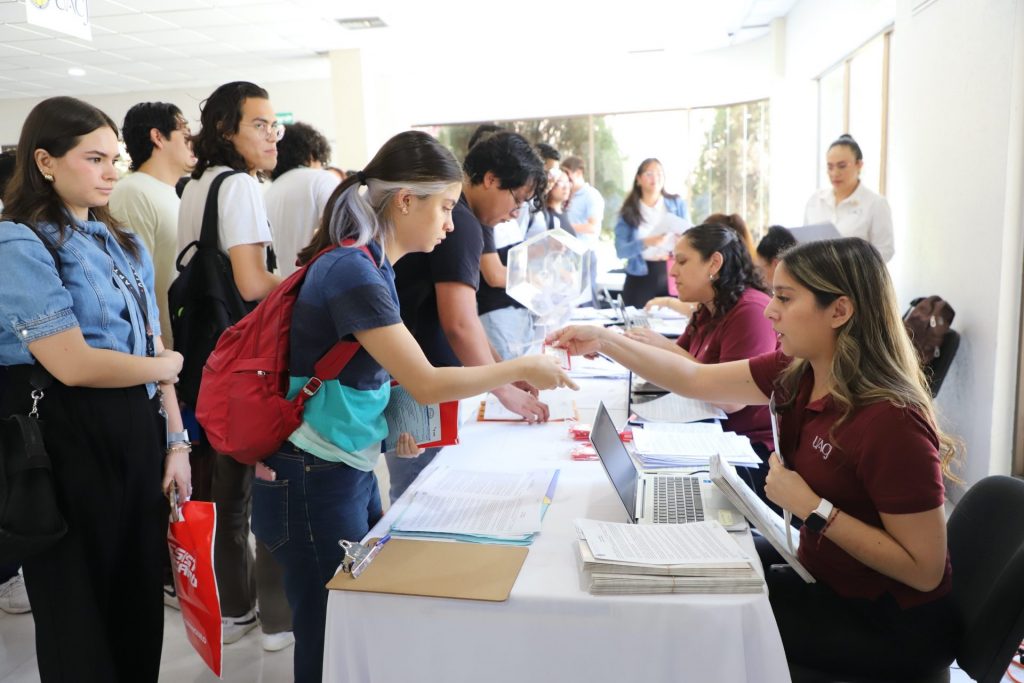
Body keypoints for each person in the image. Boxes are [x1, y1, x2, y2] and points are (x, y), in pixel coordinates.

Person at [549, 237, 958, 679]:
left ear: (839, 311)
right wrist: (605, 340)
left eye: (785, 298)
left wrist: (813, 507)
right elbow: (695, 378)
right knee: (681, 568)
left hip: (883, 623)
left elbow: (924, 570)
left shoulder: (891, 420)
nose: (769, 311)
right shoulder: (800, 371)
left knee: (696, 624)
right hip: (819, 574)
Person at [250, 130, 576, 683]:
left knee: (358, 617)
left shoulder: (374, 264)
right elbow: (424, 381)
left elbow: (371, 371)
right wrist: (517, 370)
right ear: (405, 201)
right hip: (310, 473)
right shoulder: (353, 270)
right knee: (330, 634)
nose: (451, 224)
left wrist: (394, 420)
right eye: (445, 208)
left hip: (342, 464)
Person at [0, 96, 190, 682]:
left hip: (136, 430)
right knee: (78, 616)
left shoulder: (120, 240)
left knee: (138, 602)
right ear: (45, 162)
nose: (111, 173)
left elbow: (153, 343)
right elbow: (73, 364)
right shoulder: (19, 243)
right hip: (66, 438)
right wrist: (165, 367)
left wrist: (177, 441)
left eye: (115, 159)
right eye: (94, 159)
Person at [177, 81, 292, 650]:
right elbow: (251, 283)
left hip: (205, 359)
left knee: (225, 491)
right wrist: (300, 284)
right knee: (263, 483)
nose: (272, 136)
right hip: (245, 360)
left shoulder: (195, 185)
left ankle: (235, 609)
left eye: (275, 125)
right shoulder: (241, 185)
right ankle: (276, 622)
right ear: (226, 130)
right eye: (259, 125)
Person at [390, 131, 548, 501]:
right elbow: (458, 325)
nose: (515, 213)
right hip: (420, 382)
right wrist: (504, 389)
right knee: (419, 500)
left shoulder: (464, 220)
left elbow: (468, 320)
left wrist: (505, 370)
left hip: (421, 377)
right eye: (516, 200)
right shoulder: (462, 224)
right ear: (490, 179)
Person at [619, 223, 777, 499]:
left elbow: (731, 399)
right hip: (710, 436)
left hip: (749, 453)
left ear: (714, 263)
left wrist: (664, 347)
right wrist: (626, 347)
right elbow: (674, 367)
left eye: (682, 261)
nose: (672, 272)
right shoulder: (710, 307)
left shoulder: (750, 311)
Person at [110, 102, 196, 351]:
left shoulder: (174, 193)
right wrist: (157, 350)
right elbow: (132, 282)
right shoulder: (133, 192)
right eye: (185, 132)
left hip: (185, 340)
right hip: (162, 347)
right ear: (158, 137)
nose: (192, 142)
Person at [265, 121, 340, 277]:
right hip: (320, 280)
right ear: (311, 154)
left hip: (286, 284)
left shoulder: (270, 193)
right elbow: (339, 232)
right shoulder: (322, 179)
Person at [805, 133, 894, 262]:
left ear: (859, 165)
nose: (835, 173)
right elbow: (803, 245)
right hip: (816, 273)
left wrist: (852, 264)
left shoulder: (875, 203)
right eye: (830, 167)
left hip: (855, 274)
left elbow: (885, 250)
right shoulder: (815, 200)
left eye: (842, 166)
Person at [613, 158, 690, 307]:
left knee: (675, 318)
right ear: (638, 179)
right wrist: (646, 242)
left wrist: (683, 239)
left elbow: (692, 236)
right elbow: (621, 251)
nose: (655, 178)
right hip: (640, 275)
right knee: (637, 318)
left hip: (671, 272)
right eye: (649, 174)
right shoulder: (628, 211)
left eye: (659, 173)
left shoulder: (677, 204)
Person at [561, 155, 604, 306]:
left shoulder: (591, 195)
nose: (565, 179)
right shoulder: (566, 195)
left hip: (584, 255)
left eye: (568, 173)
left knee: (586, 302)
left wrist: (564, 227)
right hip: (566, 255)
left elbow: (593, 226)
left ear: (578, 173)